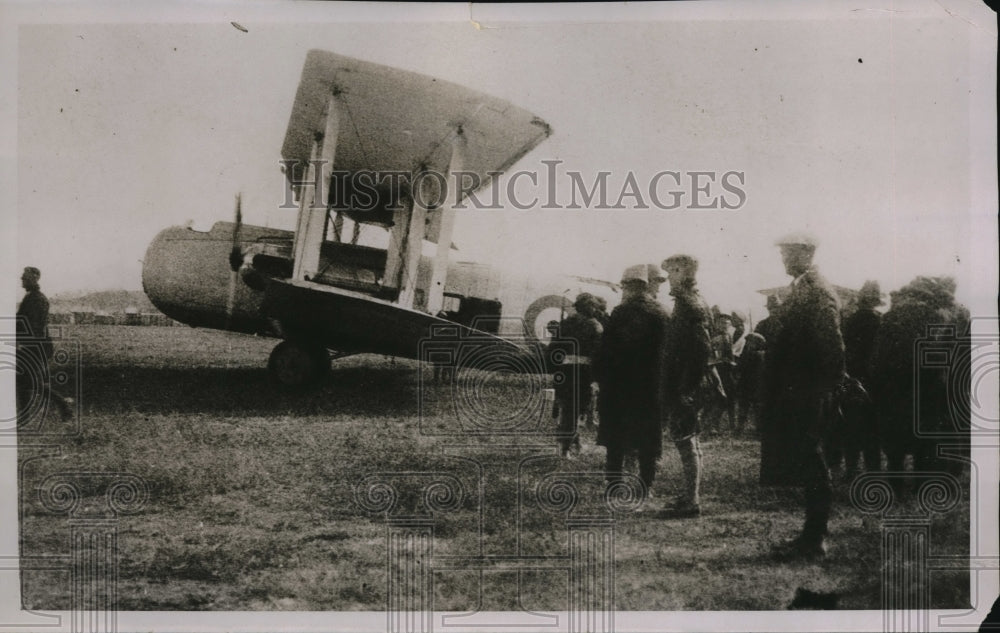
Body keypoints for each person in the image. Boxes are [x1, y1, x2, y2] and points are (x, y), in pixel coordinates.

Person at [760, 234, 845, 559]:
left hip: (810, 392)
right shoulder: (804, 287)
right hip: (802, 390)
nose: (783, 259)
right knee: (808, 461)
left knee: (813, 461)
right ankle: (810, 536)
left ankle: (815, 539)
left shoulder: (817, 291)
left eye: (788, 253)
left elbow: (831, 347)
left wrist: (820, 390)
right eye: (782, 253)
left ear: (806, 254)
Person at [870, 276, 970, 488]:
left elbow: (878, 356)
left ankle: (896, 485)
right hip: (928, 386)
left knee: (896, 438)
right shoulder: (940, 315)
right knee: (926, 438)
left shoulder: (890, 317)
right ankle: (923, 485)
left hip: (895, 387)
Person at [593, 265, 669, 503]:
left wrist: (599, 377)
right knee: (648, 439)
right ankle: (645, 486)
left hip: (618, 386)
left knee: (616, 437)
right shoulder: (661, 312)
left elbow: (604, 350)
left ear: (630, 287)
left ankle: (614, 485)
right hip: (650, 386)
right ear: (646, 286)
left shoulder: (619, 313)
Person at [659, 255, 714, 518]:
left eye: (673, 272)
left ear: (685, 273)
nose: (670, 277)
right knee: (689, 440)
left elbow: (700, 350)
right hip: (686, 383)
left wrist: (685, 389)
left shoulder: (689, 304)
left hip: (686, 385)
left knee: (685, 440)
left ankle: (691, 499)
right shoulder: (691, 302)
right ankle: (690, 495)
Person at [835, 280, 884, 477]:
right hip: (874, 380)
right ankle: (873, 470)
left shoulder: (849, 320)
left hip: (852, 378)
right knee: (872, 427)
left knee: (851, 426)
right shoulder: (881, 321)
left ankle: (852, 469)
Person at [16, 267, 73, 424]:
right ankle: (25, 418)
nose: (21, 278)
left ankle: (63, 406)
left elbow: (34, 327)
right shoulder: (32, 297)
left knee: (29, 382)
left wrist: (22, 344)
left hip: (35, 347)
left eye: (25, 276)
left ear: (34, 279)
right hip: (33, 346)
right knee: (23, 382)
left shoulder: (37, 299)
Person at [551, 293, 604, 457]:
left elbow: (553, 349)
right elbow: (599, 354)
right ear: (591, 307)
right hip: (583, 373)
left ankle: (573, 443)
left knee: (567, 409)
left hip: (564, 371)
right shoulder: (595, 326)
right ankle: (565, 449)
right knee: (577, 411)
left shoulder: (565, 324)